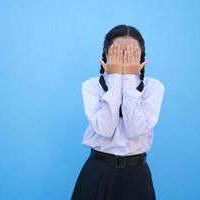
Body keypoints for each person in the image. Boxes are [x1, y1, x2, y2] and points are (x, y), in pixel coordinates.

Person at [71, 24, 165, 200]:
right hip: (97, 172)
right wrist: (115, 79)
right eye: (117, 52)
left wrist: (129, 79)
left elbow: (135, 130)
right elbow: (105, 129)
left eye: (131, 53)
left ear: (141, 56)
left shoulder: (154, 87)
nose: (124, 58)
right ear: (106, 54)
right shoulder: (91, 86)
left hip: (136, 175)